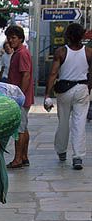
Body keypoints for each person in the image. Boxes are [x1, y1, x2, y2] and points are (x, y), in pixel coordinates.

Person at [45, 23, 92, 170]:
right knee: (79, 123)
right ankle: (78, 156)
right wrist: (88, 86)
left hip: (64, 90)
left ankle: (61, 151)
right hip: (82, 89)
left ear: (68, 36)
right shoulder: (89, 52)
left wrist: (47, 94)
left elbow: (53, 74)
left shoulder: (61, 52)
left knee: (63, 122)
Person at [5, 25, 34, 169]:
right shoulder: (19, 52)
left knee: (19, 129)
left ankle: (18, 159)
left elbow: (26, 75)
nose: (10, 40)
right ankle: (24, 156)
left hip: (21, 98)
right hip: (23, 97)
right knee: (24, 127)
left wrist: (19, 95)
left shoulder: (22, 53)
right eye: (9, 38)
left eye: (14, 38)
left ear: (21, 38)